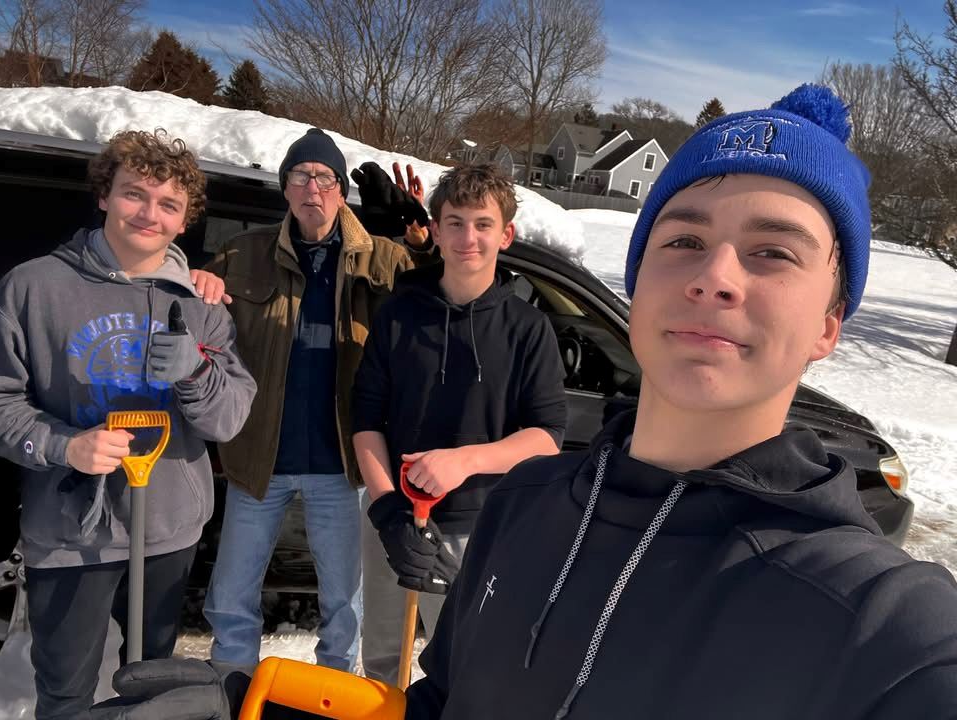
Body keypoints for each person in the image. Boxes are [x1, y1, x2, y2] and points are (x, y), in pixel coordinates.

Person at [403, 85, 957, 718]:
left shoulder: (884, 625)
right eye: (684, 242)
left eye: (773, 252)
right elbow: (444, 700)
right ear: (638, 286)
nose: (714, 276)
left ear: (828, 325)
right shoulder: (522, 502)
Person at [0, 129, 256, 720]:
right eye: (135, 194)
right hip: (70, 534)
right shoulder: (32, 288)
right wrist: (65, 445)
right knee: (65, 694)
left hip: (166, 527)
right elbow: (0, 402)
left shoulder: (200, 305)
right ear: (104, 197)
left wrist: (196, 371)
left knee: (151, 689)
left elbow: (229, 419)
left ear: (185, 220)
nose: (149, 213)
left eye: (169, 204)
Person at [195, 130, 433, 673]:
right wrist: (197, 283)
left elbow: (441, 297)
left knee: (344, 604)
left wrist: (419, 241)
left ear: (340, 191)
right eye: (299, 177)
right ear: (285, 189)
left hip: (342, 463)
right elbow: (200, 313)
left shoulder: (381, 256)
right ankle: (232, 688)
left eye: (324, 177)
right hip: (259, 457)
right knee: (230, 595)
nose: (312, 188)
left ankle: (333, 693)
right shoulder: (245, 252)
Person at [352, 163, 568, 684]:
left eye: (482, 223)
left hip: (479, 526)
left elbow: (547, 436)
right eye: (454, 222)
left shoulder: (528, 329)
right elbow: (364, 420)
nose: (467, 237)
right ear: (436, 227)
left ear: (506, 234)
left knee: (464, 668)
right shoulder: (399, 314)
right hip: (390, 514)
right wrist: (387, 512)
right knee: (383, 663)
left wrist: (464, 462)